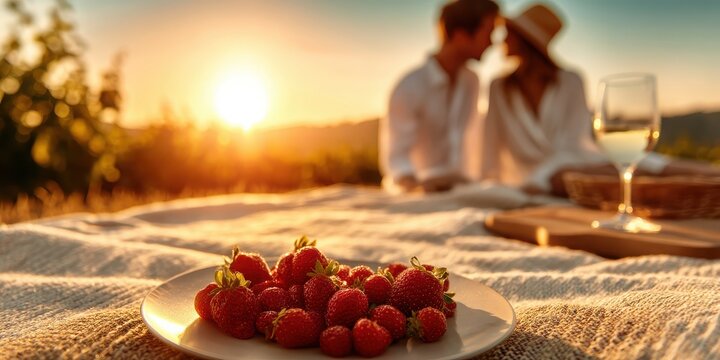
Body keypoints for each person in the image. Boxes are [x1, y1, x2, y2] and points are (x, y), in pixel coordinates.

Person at [480, 4, 720, 196]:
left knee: (651, 165)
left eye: (510, 32)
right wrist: (488, 182)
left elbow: (575, 139)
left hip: (576, 160)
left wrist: (564, 167)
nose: (503, 39)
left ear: (526, 39)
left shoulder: (570, 80)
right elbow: (490, 141)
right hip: (535, 176)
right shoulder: (499, 88)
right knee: (624, 174)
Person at [380, 0, 500, 193]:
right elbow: (396, 156)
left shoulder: (472, 81)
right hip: (418, 195)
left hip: (462, 191)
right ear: (461, 35)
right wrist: (415, 184)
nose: (492, 43)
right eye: (489, 33)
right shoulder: (410, 86)